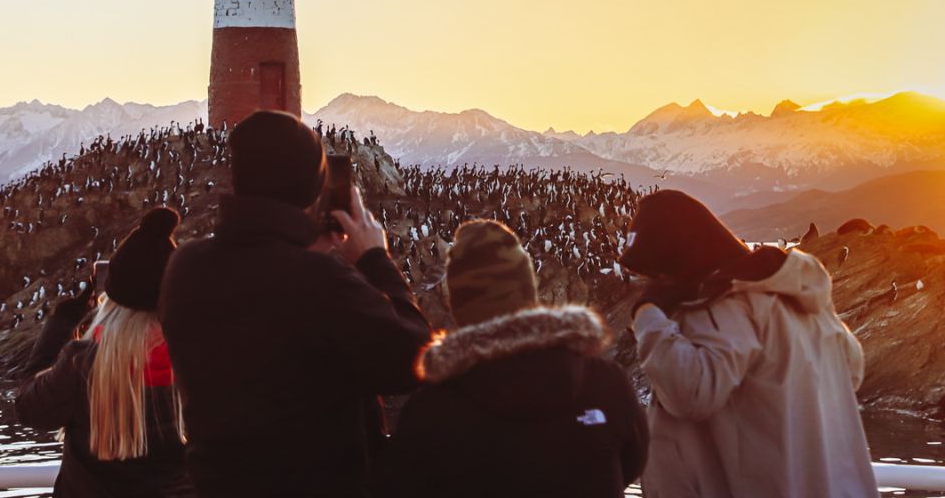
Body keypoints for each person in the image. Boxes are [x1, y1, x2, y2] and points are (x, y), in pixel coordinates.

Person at [159, 110, 431, 498]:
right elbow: (412, 356)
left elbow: (262, 291)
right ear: (312, 187)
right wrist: (374, 259)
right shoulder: (317, 281)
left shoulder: (184, 266)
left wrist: (302, 247)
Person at [620, 189, 878, 498]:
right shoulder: (801, 299)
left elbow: (694, 391)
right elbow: (852, 369)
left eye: (656, 272)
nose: (653, 282)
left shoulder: (727, 303)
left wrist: (647, 315)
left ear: (678, 258)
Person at [376, 219, 647, 497]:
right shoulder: (606, 382)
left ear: (457, 304)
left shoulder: (432, 410)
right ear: (529, 290)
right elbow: (633, 460)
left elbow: (395, 485)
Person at [15, 207, 191, 498]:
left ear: (110, 300)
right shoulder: (197, 361)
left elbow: (29, 409)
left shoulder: (84, 361)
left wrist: (59, 326)